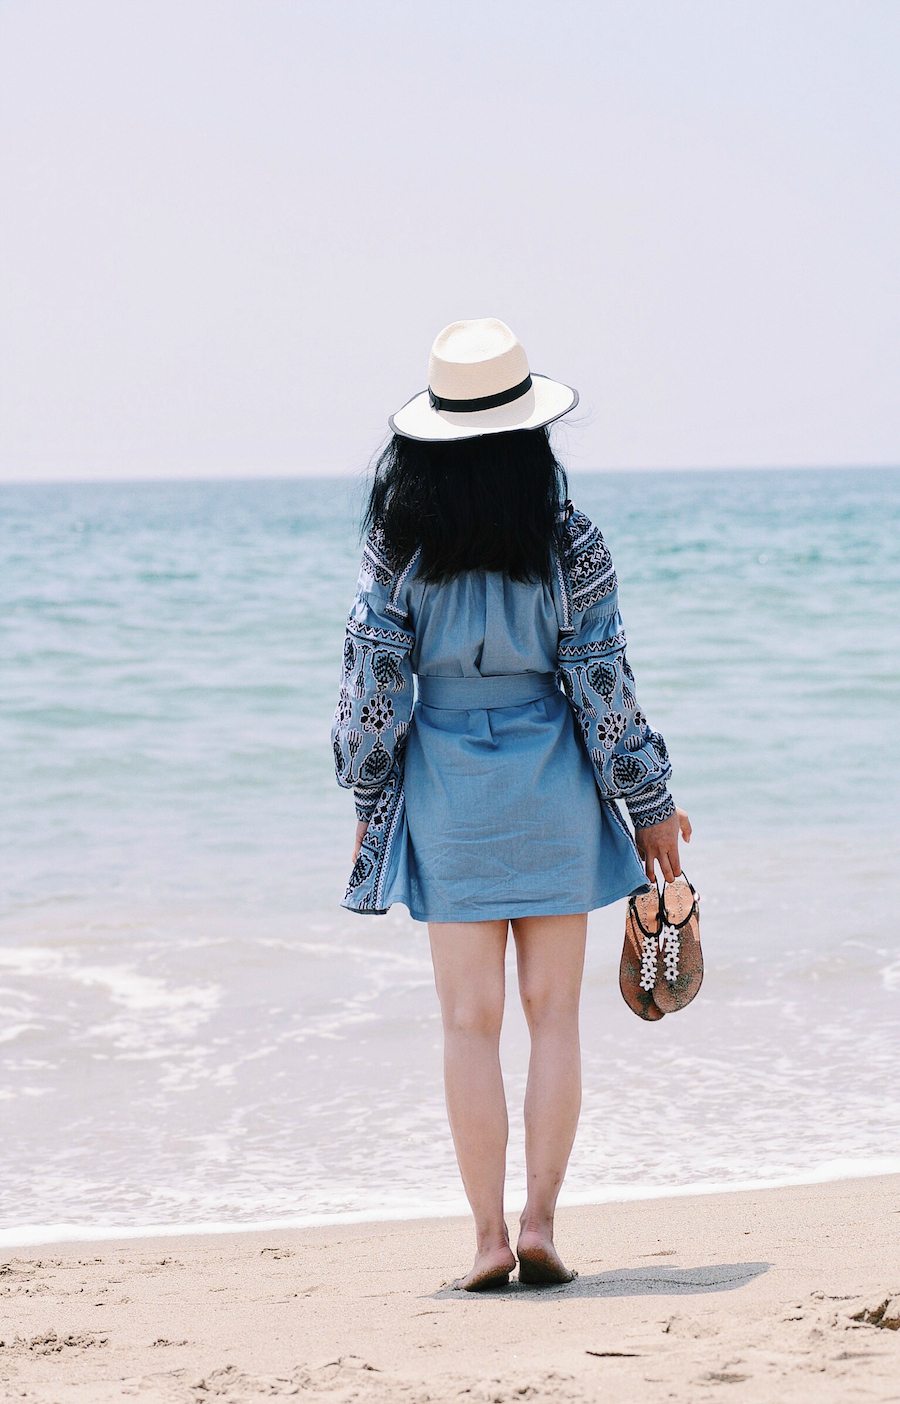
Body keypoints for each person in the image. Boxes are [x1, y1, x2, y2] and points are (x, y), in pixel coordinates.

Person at [330, 318, 691, 1291]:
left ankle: (488, 1239)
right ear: (532, 436)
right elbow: (604, 689)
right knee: (555, 1017)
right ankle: (540, 1224)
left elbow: (372, 689)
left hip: (450, 784)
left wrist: (369, 794)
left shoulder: (397, 543)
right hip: (553, 782)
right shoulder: (570, 541)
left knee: (468, 1021)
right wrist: (652, 807)